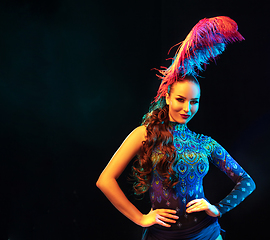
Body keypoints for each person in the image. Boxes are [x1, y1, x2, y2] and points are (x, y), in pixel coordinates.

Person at [96, 16, 256, 240]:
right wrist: (140, 218)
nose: (187, 108)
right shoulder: (145, 134)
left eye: (194, 102)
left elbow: (247, 182)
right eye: (181, 99)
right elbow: (105, 180)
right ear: (168, 97)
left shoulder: (205, 143)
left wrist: (217, 208)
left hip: (207, 233)